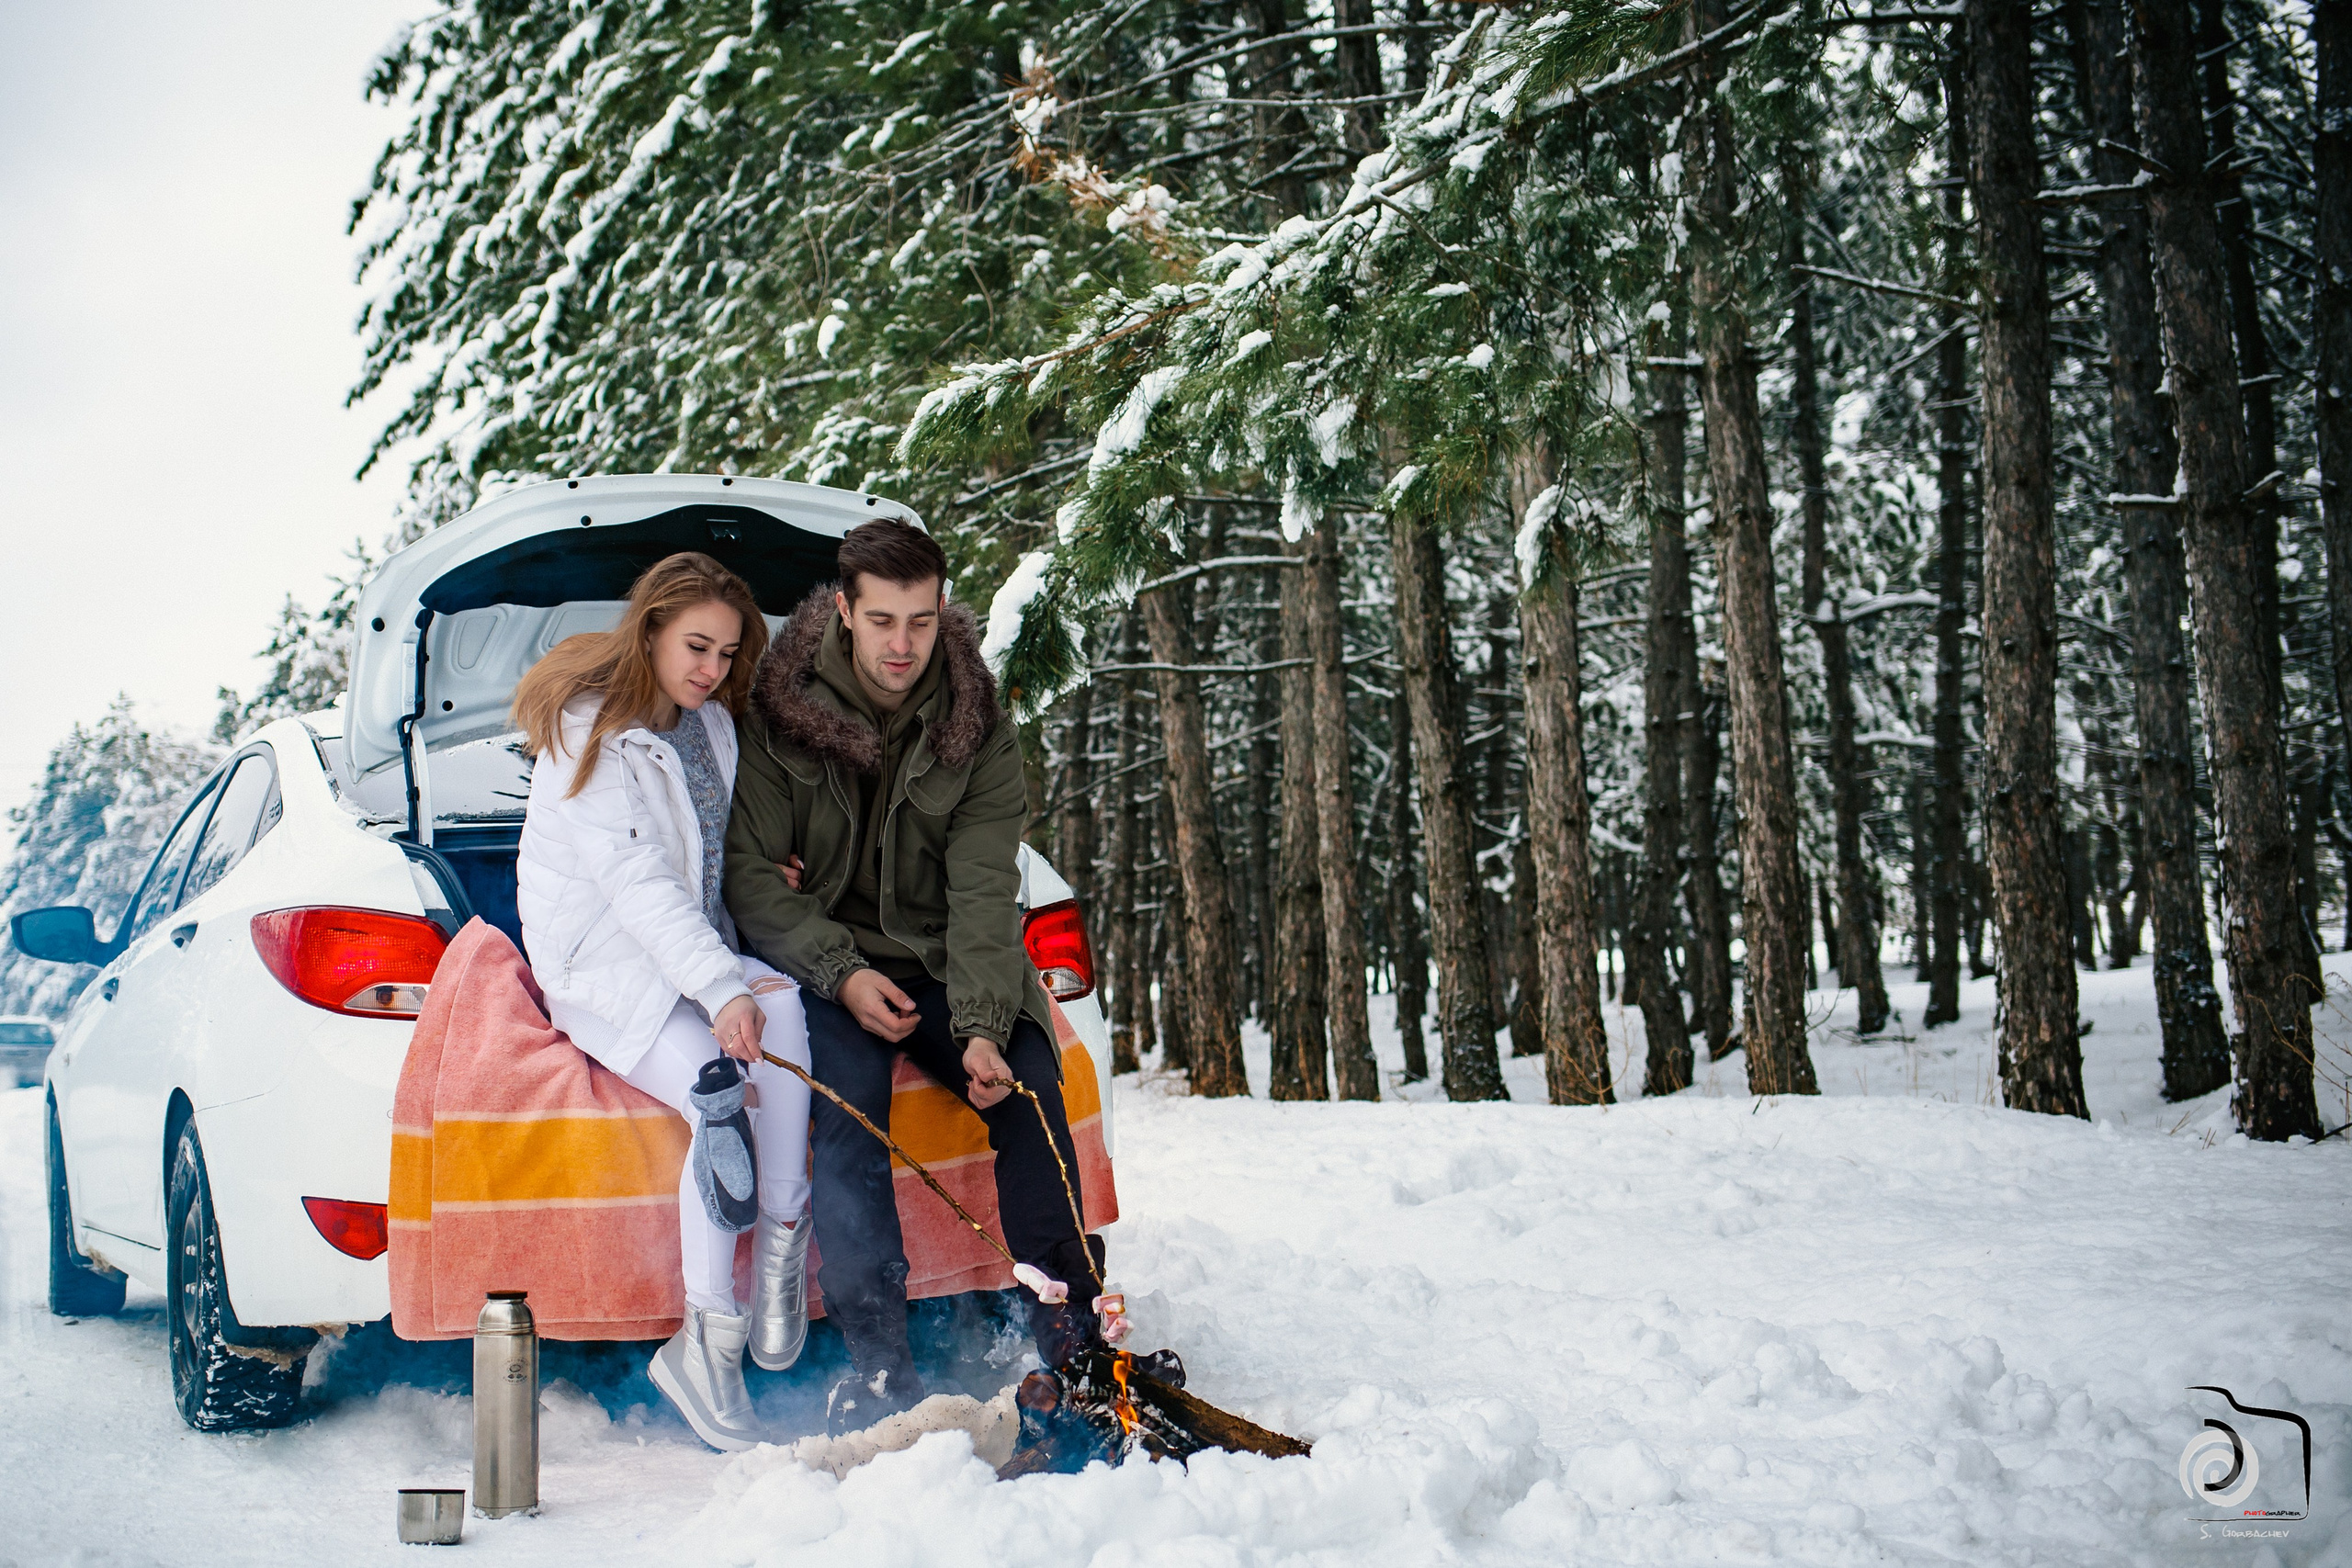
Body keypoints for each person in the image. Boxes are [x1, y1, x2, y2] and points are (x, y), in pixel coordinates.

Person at [726, 519, 1109, 1433]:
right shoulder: (779, 715)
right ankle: (880, 1366)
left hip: (947, 957)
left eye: (922, 622)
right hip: (830, 965)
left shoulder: (977, 722)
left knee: (1027, 1083)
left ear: (942, 613)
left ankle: (1073, 1341)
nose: (903, 645)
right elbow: (748, 873)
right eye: (884, 620)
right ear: (845, 611)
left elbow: (985, 883)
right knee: (851, 1119)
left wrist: (980, 1023)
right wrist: (840, 972)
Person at [512, 551, 814, 1453]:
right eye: (695, 646)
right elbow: (638, 880)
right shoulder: (586, 731)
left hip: (689, 945)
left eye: (726, 653)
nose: (710, 669)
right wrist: (719, 988)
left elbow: (703, 860)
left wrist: (760, 897)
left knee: (788, 1011)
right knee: (717, 1091)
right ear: (648, 630)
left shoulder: (712, 727)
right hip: (602, 962)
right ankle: (705, 1339)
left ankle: (780, 1257)